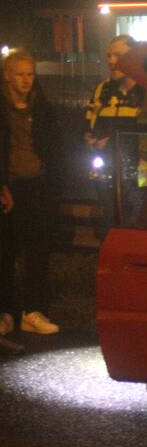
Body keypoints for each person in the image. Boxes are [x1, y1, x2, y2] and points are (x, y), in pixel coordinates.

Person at [0, 50, 66, 340]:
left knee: (38, 250)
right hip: (9, 187)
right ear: (7, 75)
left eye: (30, 74)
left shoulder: (40, 107)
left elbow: (54, 146)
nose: (26, 80)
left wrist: (53, 182)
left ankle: (33, 311)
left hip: (37, 186)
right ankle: (5, 313)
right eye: (20, 74)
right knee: (5, 252)